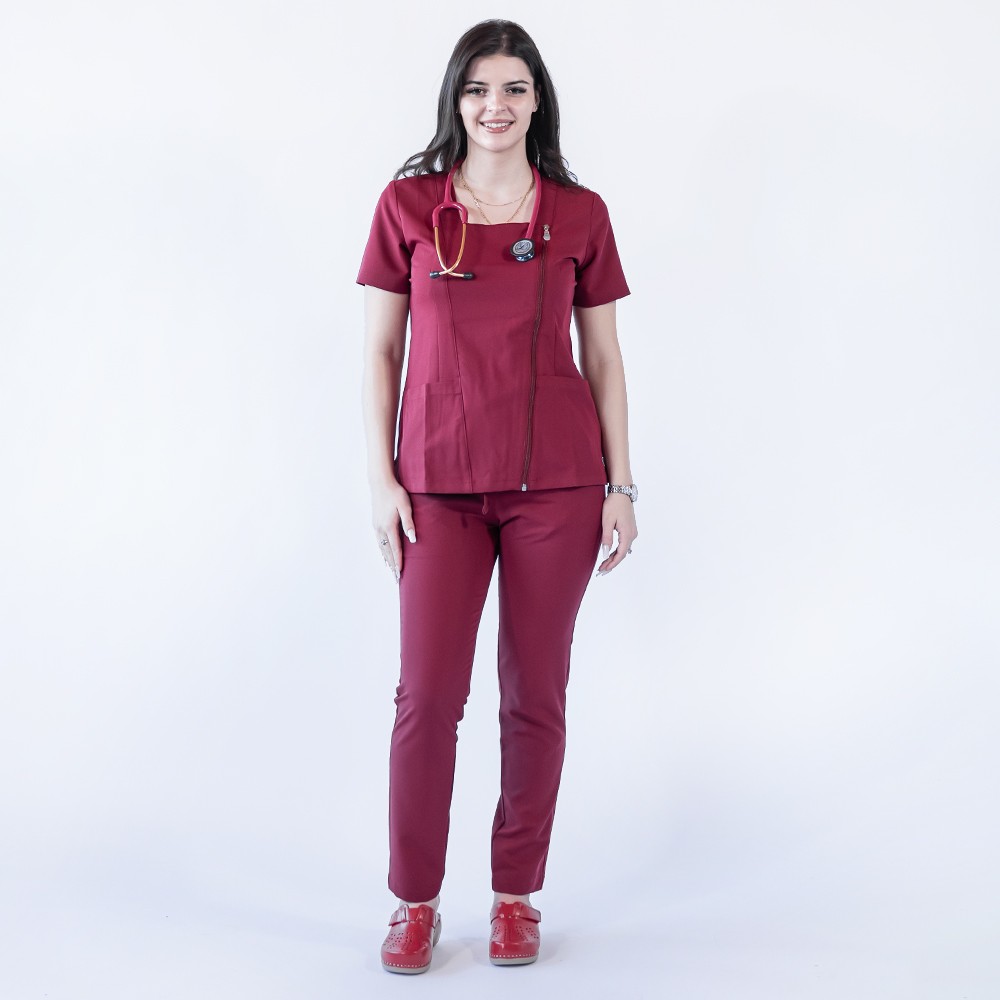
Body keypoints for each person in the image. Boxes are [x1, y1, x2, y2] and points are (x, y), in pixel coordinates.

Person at [357, 18, 637, 974]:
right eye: (479, 88)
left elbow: (604, 358)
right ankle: (414, 902)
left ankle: (516, 894)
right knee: (427, 697)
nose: (496, 106)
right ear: (456, 99)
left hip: (557, 485)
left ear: (537, 101)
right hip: (436, 488)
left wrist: (621, 485)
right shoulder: (408, 205)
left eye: (515, 88)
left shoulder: (580, 214)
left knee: (535, 693)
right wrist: (382, 481)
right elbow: (380, 353)